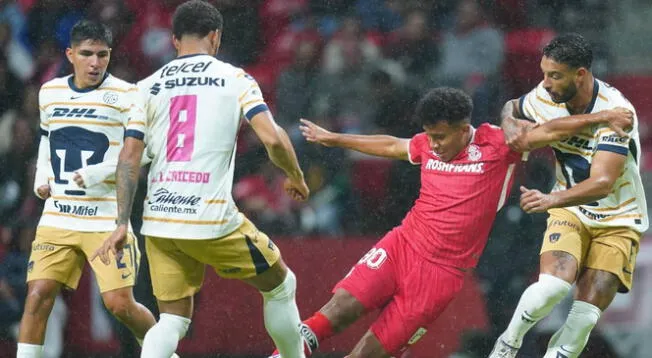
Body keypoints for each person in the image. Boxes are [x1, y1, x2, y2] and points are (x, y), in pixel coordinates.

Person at [268, 87, 633, 358]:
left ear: (464, 128)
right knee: (338, 310)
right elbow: (393, 145)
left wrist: (603, 117)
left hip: (443, 273)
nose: (434, 144)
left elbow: (552, 130)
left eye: (441, 136)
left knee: (368, 354)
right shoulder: (428, 143)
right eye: (430, 136)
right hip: (402, 245)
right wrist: (334, 139)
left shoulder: (499, 143)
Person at [91, 1, 310, 358]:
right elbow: (271, 138)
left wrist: (120, 222)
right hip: (211, 220)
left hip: (160, 221)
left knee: (172, 321)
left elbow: (129, 159)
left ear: (174, 40)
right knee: (282, 285)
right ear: (215, 37)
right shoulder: (235, 78)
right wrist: (295, 175)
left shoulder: (145, 87)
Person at [16, 20, 176, 358]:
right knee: (38, 296)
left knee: (120, 305)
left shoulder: (129, 94)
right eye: (86, 54)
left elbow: (146, 153)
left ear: (110, 55)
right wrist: (41, 175)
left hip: (106, 219)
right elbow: (48, 137)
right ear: (70, 54)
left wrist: (99, 173)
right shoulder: (51, 92)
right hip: (58, 216)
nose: (95, 62)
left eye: (102, 54)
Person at [489, 33, 648, 358]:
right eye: (544, 73)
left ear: (581, 74)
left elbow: (602, 182)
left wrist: (549, 200)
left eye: (555, 75)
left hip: (618, 218)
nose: (545, 83)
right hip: (571, 211)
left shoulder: (618, 113)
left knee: (584, 316)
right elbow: (512, 108)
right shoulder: (546, 96)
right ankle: (508, 341)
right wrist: (507, 122)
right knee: (553, 287)